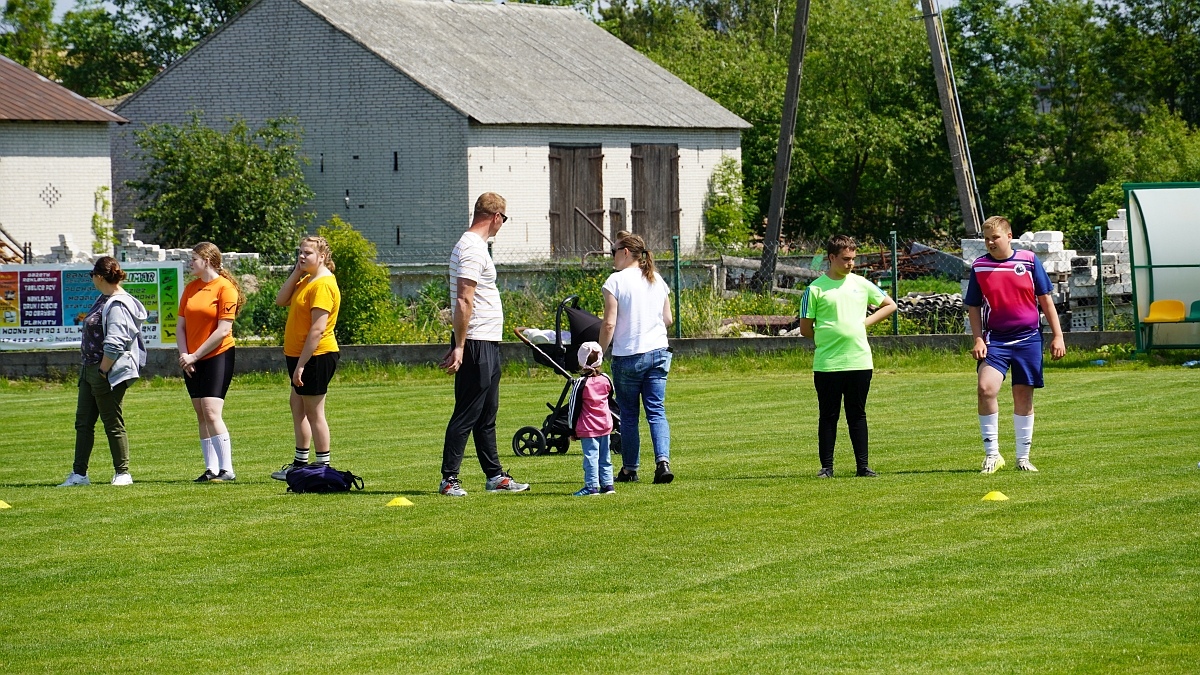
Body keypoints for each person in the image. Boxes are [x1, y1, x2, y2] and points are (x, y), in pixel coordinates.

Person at [439, 192, 529, 496]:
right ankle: (449, 479)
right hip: (475, 342)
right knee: (466, 412)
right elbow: (464, 299)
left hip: (487, 341)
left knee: (487, 414)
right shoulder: (472, 249)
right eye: (503, 219)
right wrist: (460, 346)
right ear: (496, 217)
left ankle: (495, 477)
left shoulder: (475, 247)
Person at [965, 216, 1066, 474]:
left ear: (1009, 236)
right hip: (995, 340)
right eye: (986, 239)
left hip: (1028, 339)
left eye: (995, 237)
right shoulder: (979, 267)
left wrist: (1058, 335)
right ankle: (992, 454)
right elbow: (973, 307)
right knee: (985, 389)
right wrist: (978, 338)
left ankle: (1023, 457)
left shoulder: (1029, 261)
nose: (990, 242)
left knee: (1023, 396)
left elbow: (1045, 300)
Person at [799, 235, 897, 478]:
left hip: (859, 361)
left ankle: (863, 467)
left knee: (857, 414)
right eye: (845, 259)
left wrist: (863, 324)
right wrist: (828, 338)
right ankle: (827, 468)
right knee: (828, 415)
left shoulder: (861, 284)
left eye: (853, 259)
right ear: (831, 258)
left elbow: (889, 305)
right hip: (828, 364)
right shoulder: (814, 289)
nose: (850, 263)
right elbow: (805, 328)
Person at [58, 257, 148, 487]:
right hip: (89, 370)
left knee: (112, 422)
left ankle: (123, 473)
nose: (91, 279)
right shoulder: (103, 298)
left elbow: (115, 342)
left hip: (106, 372)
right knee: (83, 423)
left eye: (92, 275)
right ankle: (79, 475)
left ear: (100, 276)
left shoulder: (118, 304)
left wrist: (102, 370)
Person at [598, 231, 674, 484]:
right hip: (659, 352)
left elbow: (609, 324)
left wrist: (598, 354)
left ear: (626, 253)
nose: (612, 257)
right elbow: (668, 319)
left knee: (629, 415)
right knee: (656, 411)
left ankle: (630, 468)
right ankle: (662, 462)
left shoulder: (615, 281)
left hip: (629, 354)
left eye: (614, 251)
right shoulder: (656, 279)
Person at [270, 236, 342, 481]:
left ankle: (323, 468)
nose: (302, 257)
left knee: (314, 412)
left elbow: (317, 330)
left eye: (308, 253)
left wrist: (301, 365)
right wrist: (296, 271)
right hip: (298, 354)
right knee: (297, 405)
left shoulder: (322, 284)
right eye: (300, 252)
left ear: (322, 256)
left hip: (316, 355)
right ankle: (300, 463)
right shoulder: (306, 280)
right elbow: (281, 300)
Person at [177, 242, 244, 482]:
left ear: (207, 260)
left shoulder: (225, 288)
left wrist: (195, 355)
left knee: (212, 411)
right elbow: (181, 326)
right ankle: (211, 469)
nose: (190, 263)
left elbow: (223, 330)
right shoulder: (191, 288)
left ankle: (227, 470)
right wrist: (186, 356)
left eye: (193, 259)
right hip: (192, 359)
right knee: (200, 413)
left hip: (218, 355)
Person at [567, 342, 616, 496]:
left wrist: (571, 429)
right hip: (605, 425)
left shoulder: (580, 383)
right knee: (605, 457)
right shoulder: (606, 379)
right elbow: (610, 397)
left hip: (588, 428)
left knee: (591, 458)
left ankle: (591, 486)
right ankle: (608, 485)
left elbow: (573, 407)